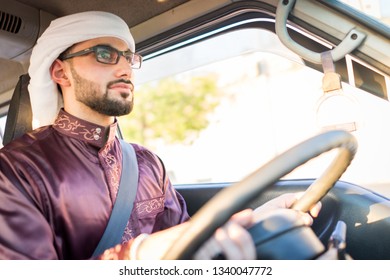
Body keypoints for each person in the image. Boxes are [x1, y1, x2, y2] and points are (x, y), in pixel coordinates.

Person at [0, 11, 321, 260]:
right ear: (60, 72)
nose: (124, 68)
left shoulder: (147, 162)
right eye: (104, 54)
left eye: (128, 57)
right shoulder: (15, 170)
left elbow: (187, 240)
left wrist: (257, 219)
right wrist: (137, 256)